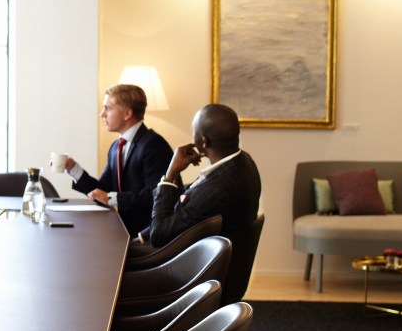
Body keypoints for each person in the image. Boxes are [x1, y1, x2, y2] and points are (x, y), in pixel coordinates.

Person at [59, 83, 173, 238]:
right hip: (121, 229)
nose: (102, 114)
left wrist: (112, 198)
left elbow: (156, 195)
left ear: (127, 114)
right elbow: (102, 191)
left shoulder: (153, 145)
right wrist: (73, 168)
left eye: (108, 108)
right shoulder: (116, 147)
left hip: (146, 235)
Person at [145, 103, 261, 247]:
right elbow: (189, 200)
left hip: (188, 258)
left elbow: (158, 236)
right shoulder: (243, 161)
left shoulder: (216, 189)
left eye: (194, 131)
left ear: (204, 141)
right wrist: (143, 236)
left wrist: (170, 175)